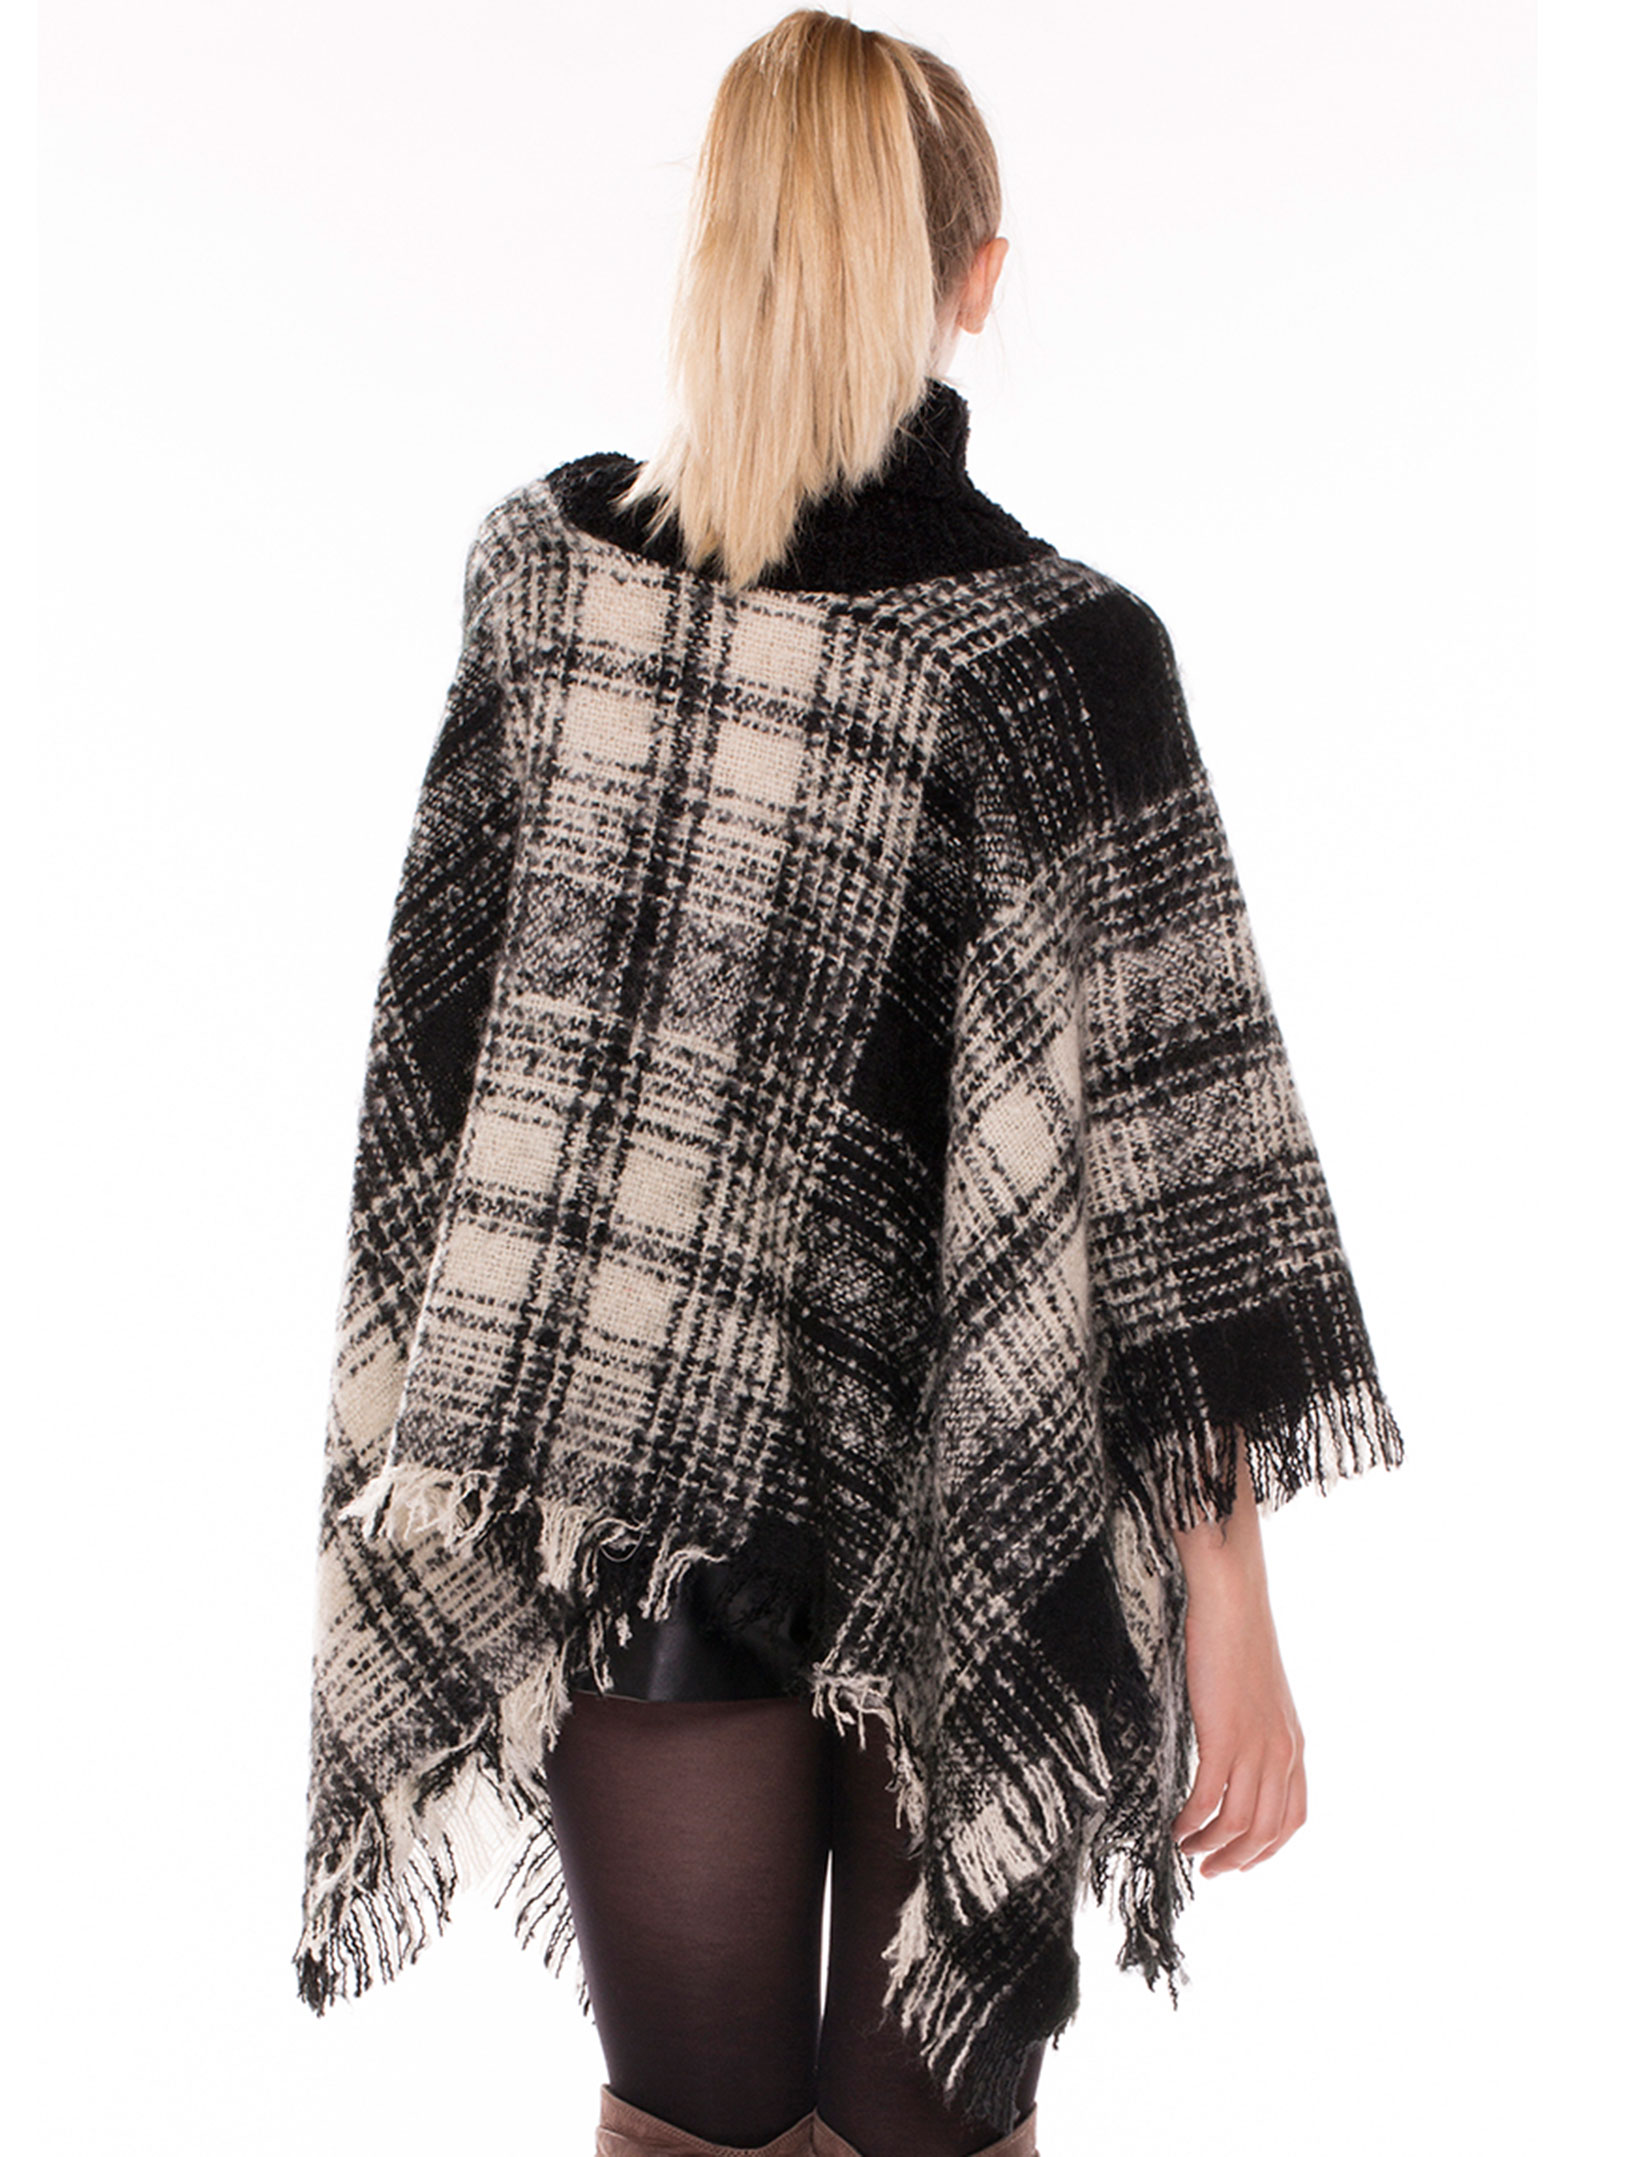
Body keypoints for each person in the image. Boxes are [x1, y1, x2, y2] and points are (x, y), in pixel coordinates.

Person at [293, 15, 1406, 2157]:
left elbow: (443, 1089)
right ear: (977, 275)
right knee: (929, 2141)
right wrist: (1234, 1609)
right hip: (965, 1516)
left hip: (635, 1484)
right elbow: (1175, 1189)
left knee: (690, 2135)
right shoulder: (1061, 661)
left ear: (722, 248)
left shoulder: (553, 589)